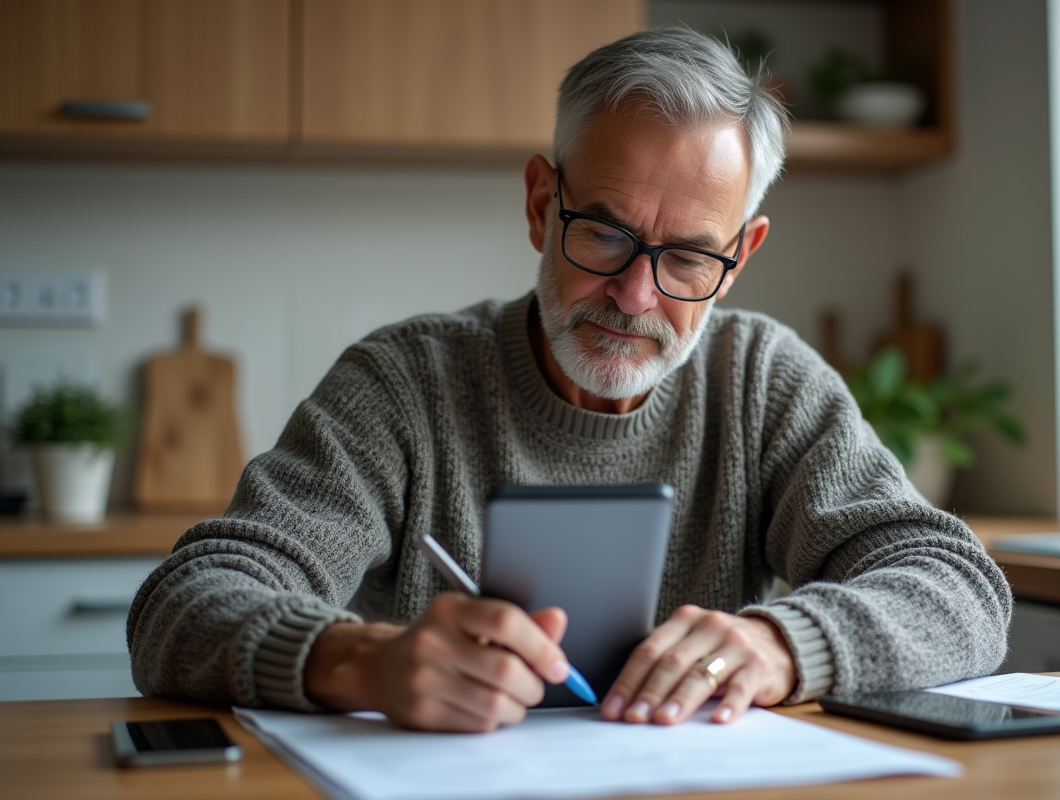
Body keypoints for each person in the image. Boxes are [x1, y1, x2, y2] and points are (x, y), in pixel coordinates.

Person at [128, 27, 1011, 733]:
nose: (634, 296)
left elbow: (959, 589)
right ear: (542, 205)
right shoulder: (402, 383)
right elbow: (182, 605)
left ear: (740, 256)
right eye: (605, 234)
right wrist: (361, 661)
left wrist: (784, 644)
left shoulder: (764, 382)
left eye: (690, 256)